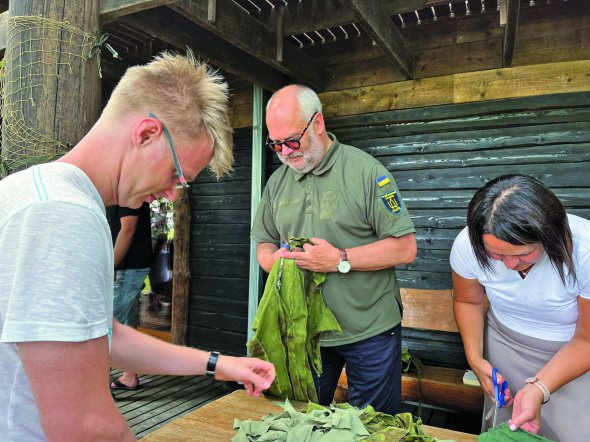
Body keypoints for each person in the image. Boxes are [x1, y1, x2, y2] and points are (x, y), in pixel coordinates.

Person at [0, 51, 274, 441]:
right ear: (146, 133)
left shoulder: (37, 191)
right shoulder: (63, 215)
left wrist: (221, 364)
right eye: (178, 175)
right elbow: (84, 426)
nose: (173, 195)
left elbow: (105, 337)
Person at [251, 84, 417, 414]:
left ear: (318, 124)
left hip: (370, 329)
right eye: (276, 144)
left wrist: (340, 259)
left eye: (292, 141)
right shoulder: (276, 183)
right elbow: (264, 242)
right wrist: (274, 263)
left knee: (372, 428)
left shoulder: (367, 172)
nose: (285, 152)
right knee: (302, 421)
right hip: (305, 331)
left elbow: (405, 248)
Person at [450, 174, 590, 441]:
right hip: (505, 346)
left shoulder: (586, 249)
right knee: (511, 429)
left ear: (550, 235)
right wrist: (476, 359)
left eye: (522, 254)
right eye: (496, 255)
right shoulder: (467, 245)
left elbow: (587, 339)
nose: (509, 266)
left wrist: (539, 388)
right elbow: (468, 301)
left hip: (576, 353)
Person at [107, 202, 152, 390]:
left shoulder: (129, 193)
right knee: (127, 323)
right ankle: (129, 375)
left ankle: (93, 385)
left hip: (127, 267)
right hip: (129, 266)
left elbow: (128, 228)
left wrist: (111, 265)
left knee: (106, 327)